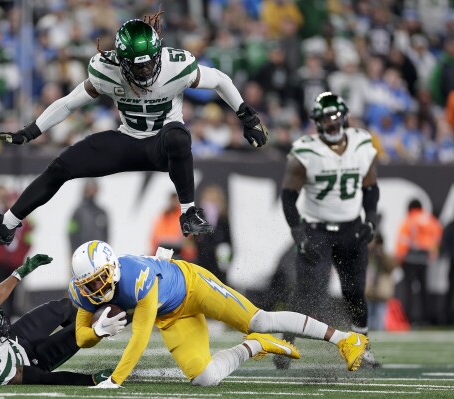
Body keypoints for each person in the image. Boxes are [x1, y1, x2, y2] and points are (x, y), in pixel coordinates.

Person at [0, 10, 269, 245]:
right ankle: (7, 224)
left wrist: (247, 116)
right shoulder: (106, 71)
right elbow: (69, 103)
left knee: (178, 136)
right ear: (121, 62)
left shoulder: (177, 66)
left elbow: (220, 81)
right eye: (137, 66)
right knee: (60, 166)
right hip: (128, 141)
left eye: (149, 63)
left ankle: (188, 212)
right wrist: (30, 131)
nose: (146, 71)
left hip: (163, 144)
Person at [68, 240, 369, 389]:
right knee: (205, 378)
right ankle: (256, 345)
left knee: (260, 319)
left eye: (99, 277)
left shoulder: (137, 276)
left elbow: (141, 335)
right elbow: (81, 339)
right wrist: (97, 332)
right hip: (172, 316)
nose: (96, 287)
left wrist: (116, 381)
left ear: (113, 268)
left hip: (193, 286)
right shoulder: (84, 293)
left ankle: (346, 339)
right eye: (89, 283)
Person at [277, 92, 380, 369]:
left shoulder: (361, 143)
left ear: (344, 117)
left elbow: (370, 187)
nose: (332, 123)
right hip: (317, 230)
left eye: (335, 117)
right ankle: (286, 342)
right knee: (307, 290)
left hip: (351, 230)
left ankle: (363, 346)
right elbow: (288, 196)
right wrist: (299, 235)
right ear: (317, 122)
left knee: (355, 291)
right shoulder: (306, 150)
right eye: (325, 118)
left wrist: (370, 221)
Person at [0, 253, 111, 386]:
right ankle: (120, 315)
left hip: (15, 338)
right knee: (83, 328)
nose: (2, 327)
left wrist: (20, 273)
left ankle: (106, 306)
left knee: (65, 306)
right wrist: (90, 380)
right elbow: (42, 378)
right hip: (32, 361)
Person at [394, 199, 442, 326]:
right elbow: (437, 239)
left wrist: (400, 258)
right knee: (424, 290)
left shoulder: (409, 220)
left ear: (410, 208)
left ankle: (408, 319)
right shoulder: (431, 220)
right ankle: (426, 319)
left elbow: (403, 241)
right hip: (425, 260)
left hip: (410, 259)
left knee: (408, 289)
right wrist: (432, 255)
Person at [193, 184, 232, 284]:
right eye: (207, 200)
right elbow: (195, 240)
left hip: (218, 266)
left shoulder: (223, 220)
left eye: (213, 201)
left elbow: (228, 242)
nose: (210, 204)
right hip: (201, 262)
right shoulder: (198, 218)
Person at [68, 179, 109, 253]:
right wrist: (73, 252)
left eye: (93, 188)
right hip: (81, 254)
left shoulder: (102, 212)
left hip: (99, 254)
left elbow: (106, 234)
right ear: (84, 190)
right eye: (89, 189)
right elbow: (71, 233)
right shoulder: (77, 212)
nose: (91, 191)